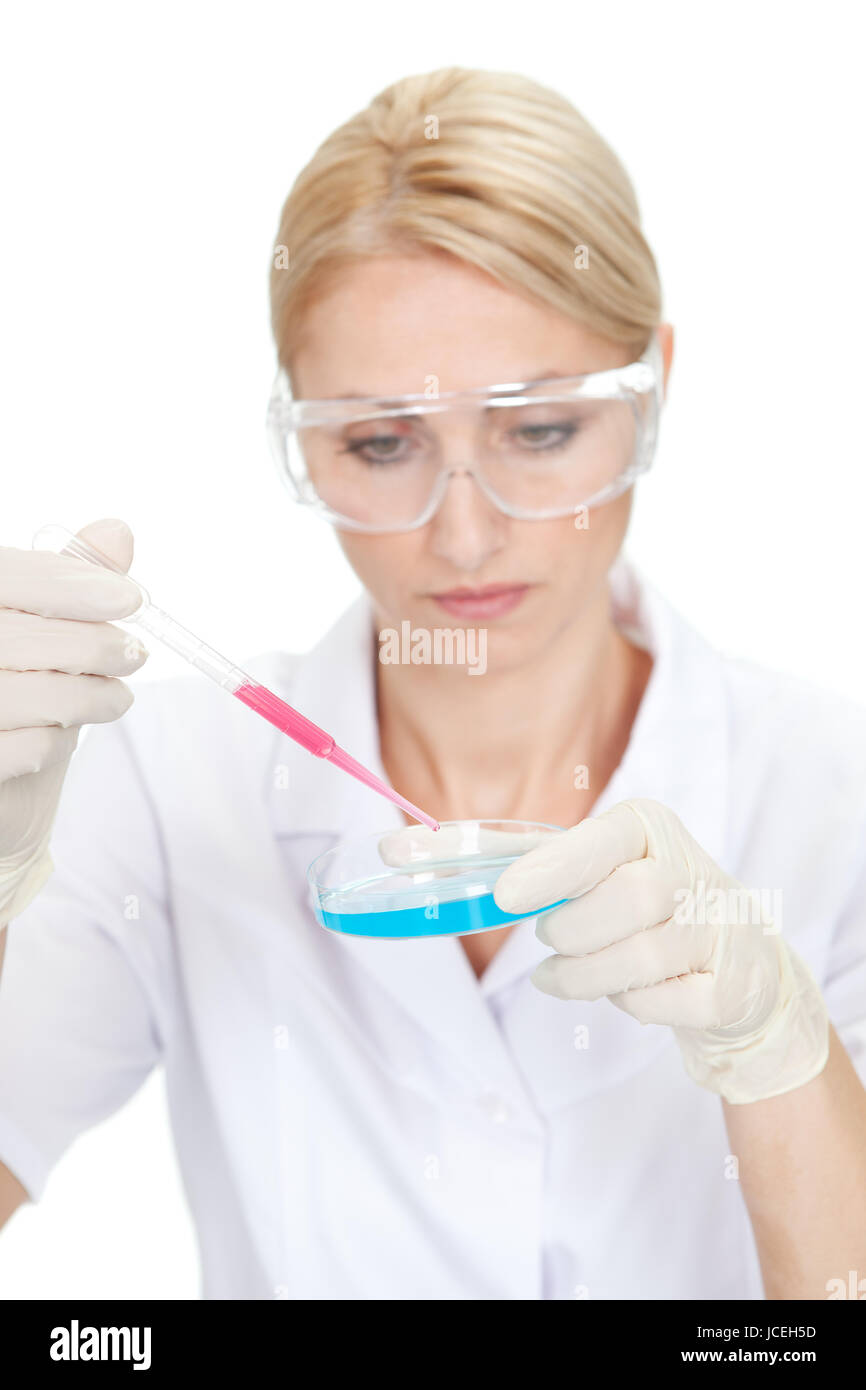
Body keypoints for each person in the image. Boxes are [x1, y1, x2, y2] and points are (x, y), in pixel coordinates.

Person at [1, 66, 865, 1302]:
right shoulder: (170, 790)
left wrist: (777, 1051)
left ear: (652, 388)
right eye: (381, 442)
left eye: (540, 429)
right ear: (300, 434)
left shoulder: (833, 797)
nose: (463, 535)